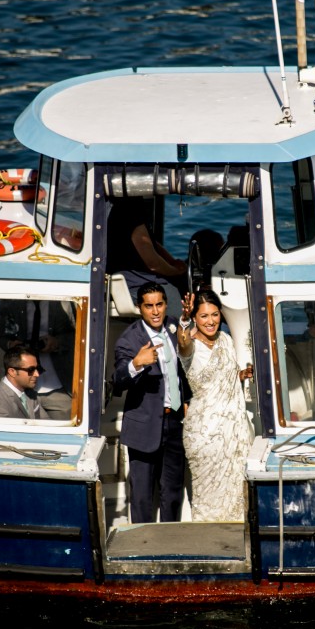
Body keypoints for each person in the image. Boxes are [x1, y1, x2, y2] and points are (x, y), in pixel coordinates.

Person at [112, 282, 190, 524]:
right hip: (143, 427)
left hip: (174, 422)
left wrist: (185, 399)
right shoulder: (129, 339)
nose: (155, 311)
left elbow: (184, 368)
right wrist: (137, 363)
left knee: (173, 492)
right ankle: (141, 545)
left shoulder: (172, 325)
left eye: (159, 305)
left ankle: (170, 543)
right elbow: (117, 380)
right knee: (143, 496)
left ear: (166, 305)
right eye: (149, 306)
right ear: (139, 308)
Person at [176, 289, 254, 522]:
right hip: (205, 434)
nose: (211, 321)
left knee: (235, 494)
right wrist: (183, 321)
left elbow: (223, 377)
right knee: (208, 497)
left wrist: (241, 374)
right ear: (195, 319)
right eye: (203, 316)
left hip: (233, 432)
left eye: (215, 314)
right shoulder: (188, 344)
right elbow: (183, 344)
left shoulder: (226, 340)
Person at [0, 299, 76, 420]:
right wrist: (11, 345)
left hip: (59, 385)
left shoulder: (64, 300)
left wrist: (57, 343)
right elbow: (3, 338)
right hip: (22, 386)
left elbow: (78, 335)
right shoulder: (11, 301)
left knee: (64, 431)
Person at [105, 196, 187, 304]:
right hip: (133, 283)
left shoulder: (115, 207)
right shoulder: (130, 205)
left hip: (124, 278)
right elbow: (153, 264)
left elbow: (150, 242)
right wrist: (175, 271)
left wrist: (172, 262)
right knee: (175, 289)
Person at [0, 345, 49, 419]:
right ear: (12, 372)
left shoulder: (28, 391)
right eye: (31, 370)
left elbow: (46, 422)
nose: (37, 374)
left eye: (37, 369)